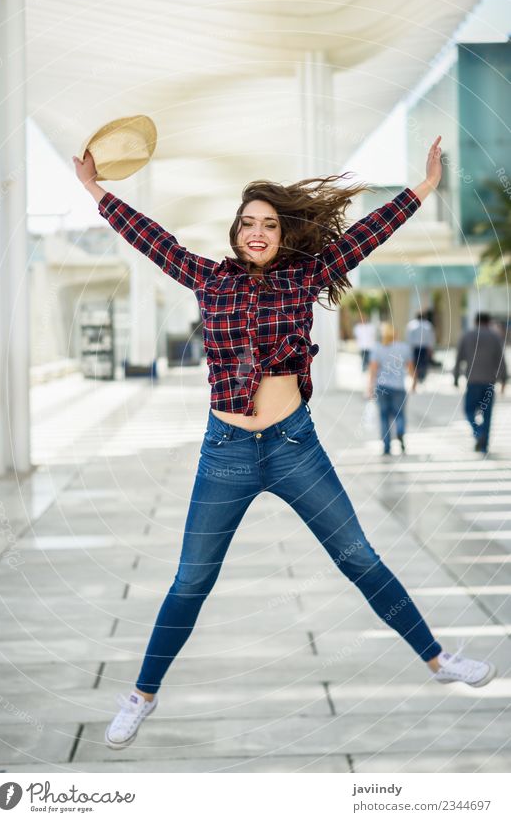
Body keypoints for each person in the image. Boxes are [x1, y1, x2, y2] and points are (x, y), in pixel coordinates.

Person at [72, 134, 496, 753]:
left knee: (359, 557)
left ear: (281, 233)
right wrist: (93, 189)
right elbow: (150, 236)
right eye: (248, 223)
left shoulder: (305, 275)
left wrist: (424, 188)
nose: (258, 232)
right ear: (235, 231)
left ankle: (438, 660)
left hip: (295, 445)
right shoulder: (208, 280)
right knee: (191, 580)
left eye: (269, 224)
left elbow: (364, 235)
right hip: (226, 452)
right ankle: (141, 694)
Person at [453, 312, 507, 453]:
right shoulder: (495, 337)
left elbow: (459, 358)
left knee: (469, 410)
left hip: (473, 381)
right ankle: (484, 445)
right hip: (489, 381)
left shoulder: (467, 335)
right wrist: (504, 379)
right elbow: (501, 359)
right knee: (487, 413)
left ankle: (478, 432)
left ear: (475, 321)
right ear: (488, 322)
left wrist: (456, 377)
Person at [367, 322, 415, 455]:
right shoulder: (404, 348)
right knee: (399, 414)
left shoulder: (377, 348)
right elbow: (410, 368)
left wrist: (370, 388)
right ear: (396, 333)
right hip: (399, 387)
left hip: (382, 388)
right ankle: (400, 431)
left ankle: (387, 446)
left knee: (384, 416)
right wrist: (414, 382)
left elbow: (373, 371)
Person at [405, 309, 435, 386]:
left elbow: (409, 338)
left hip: (415, 348)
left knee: (415, 363)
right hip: (424, 347)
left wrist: (409, 348)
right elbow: (431, 338)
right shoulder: (428, 325)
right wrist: (431, 348)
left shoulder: (411, 325)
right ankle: (421, 377)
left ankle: (416, 377)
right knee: (423, 363)